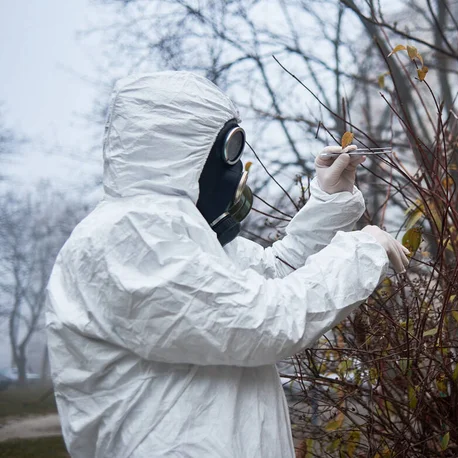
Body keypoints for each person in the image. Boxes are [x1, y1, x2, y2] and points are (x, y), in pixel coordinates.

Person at [45, 71, 410, 458]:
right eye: (229, 150)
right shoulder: (128, 237)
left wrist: (329, 202)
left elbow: (273, 274)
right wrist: (361, 251)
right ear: (181, 149)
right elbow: (262, 322)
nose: (235, 170)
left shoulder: (175, 234)